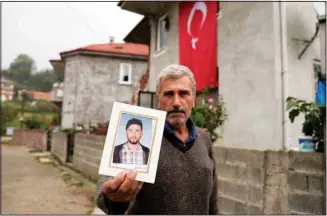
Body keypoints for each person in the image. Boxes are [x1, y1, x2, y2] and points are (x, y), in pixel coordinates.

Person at [95, 64, 218, 214]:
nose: (176, 102)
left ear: (194, 98)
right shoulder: (143, 137)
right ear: (158, 99)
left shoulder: (204, 139)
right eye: (168, 94)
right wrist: (113, 196)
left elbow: (213, 203)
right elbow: (107, 185)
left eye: (184, 93)